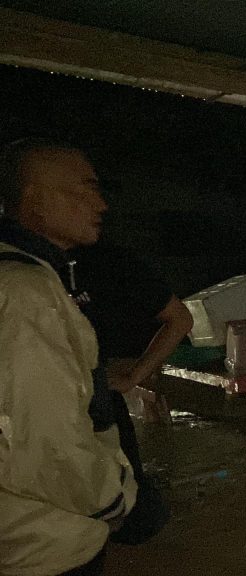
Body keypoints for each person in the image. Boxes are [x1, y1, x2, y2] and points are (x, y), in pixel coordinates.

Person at [0, 138, 137, 575]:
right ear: (35, 200)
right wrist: (113, 498)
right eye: (86, 188)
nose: (101, 204)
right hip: (43, 541)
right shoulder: (26, 291)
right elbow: (47, 438)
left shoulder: (29, 274)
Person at [69, 239, 193, 544]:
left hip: (99, 399)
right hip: (53, 409)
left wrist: (135, 374)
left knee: (136, 514)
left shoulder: (109, 261)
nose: (96, 213)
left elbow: (180, 319)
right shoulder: (20, 269)